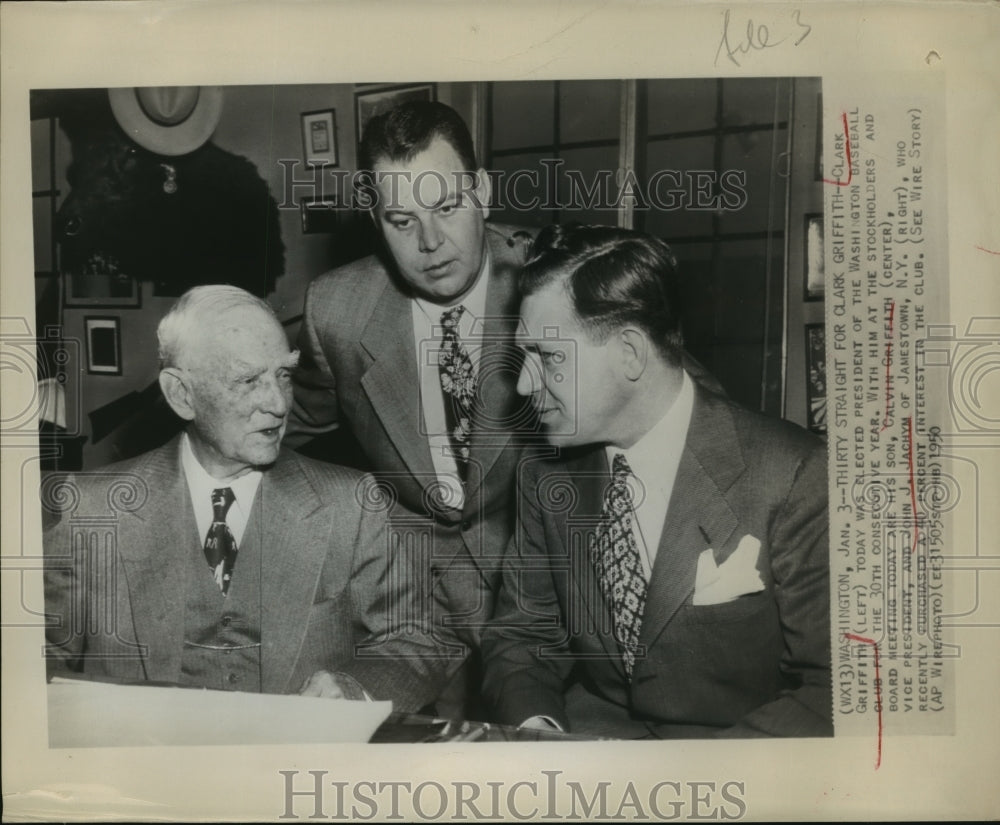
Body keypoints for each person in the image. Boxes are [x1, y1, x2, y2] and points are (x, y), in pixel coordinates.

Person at [481, 224, 832, 738]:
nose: (523, 383)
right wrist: (539, 734)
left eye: (548, 355)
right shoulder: (545, 475)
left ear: (630, 352)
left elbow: (832, 688)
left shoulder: (794, 475)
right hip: (591, 745)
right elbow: (523, 638)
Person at [42, 285, 453, 710]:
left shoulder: (351, 503)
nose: (278, 404)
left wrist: (355, 690)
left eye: (284, 375)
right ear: (182, 394)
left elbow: (418, 640)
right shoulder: (90, 509)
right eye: (248, 380)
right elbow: (34, 664)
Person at [289, 101, 538, 715]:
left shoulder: (553, 278)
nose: (430, 243)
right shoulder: (337, 311)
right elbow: (277, 428)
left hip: (551, 609)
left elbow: (676, 403)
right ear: (376, 220)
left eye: (447, 208)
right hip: (415, 618)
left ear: (482, 192)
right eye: (403, 220)